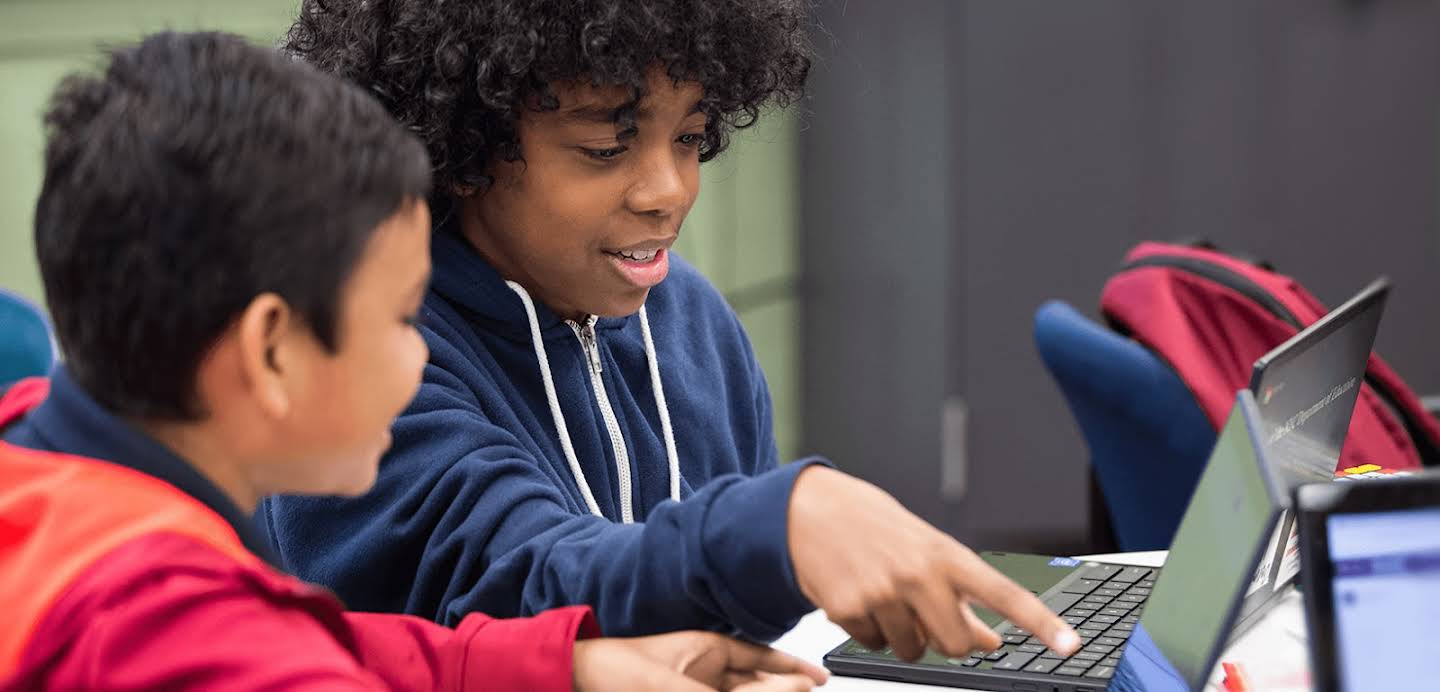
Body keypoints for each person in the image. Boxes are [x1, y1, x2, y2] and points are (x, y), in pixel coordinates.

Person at [0, 31, 827, 692]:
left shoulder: (40, 464)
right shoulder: (209, 649)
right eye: (399, 320)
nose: (416, 357)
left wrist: (566, 667)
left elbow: (332, 641)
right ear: (270, 350)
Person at [263, 0, 1081, 663]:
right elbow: (510, 590)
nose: (669, 190)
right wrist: (772, 529)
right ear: (462, 147)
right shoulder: (365, 356)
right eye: (603, 146)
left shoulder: (690, 320)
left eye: (690, 137)